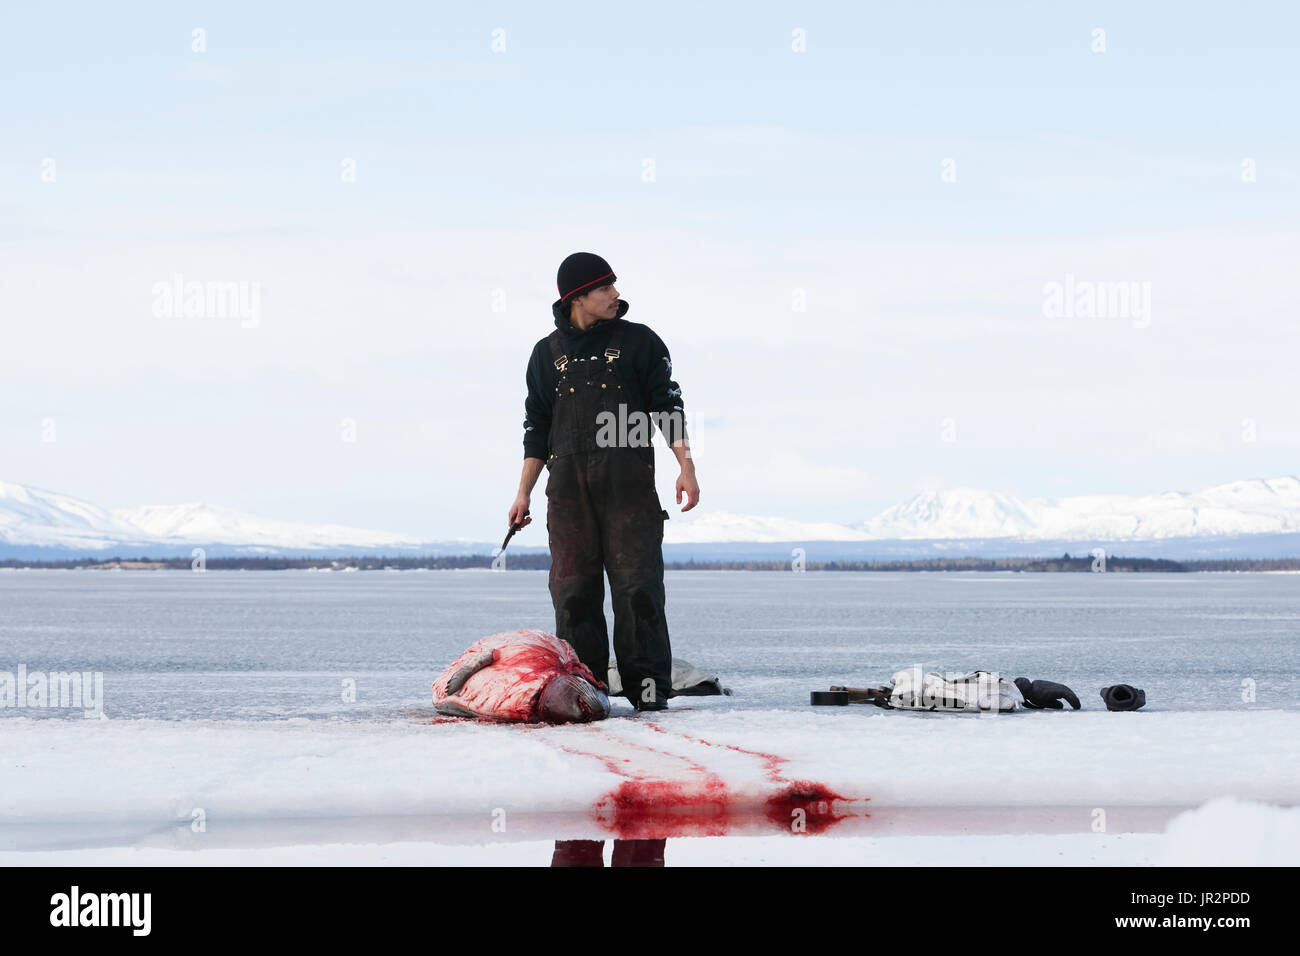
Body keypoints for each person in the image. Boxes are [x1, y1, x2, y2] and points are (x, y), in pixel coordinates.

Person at [507, 252, 699, 712]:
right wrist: (523, 492)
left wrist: (686, 466)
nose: (616, 295)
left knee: (638, 588)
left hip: (629, 488)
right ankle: (585, 692)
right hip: (568, 493)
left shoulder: (640, 342)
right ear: (578, 296)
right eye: (605, 288)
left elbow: (667, 407)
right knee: (573, 591)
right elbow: (537, 426)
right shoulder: (546, 353)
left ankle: (649, 694)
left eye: (614, 286)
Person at [432, 629, 611, 723]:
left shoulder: (514, 696)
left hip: (524, 688)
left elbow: (490, 655)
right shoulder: (562, 661)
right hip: (545, 674)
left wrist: (471, 666)